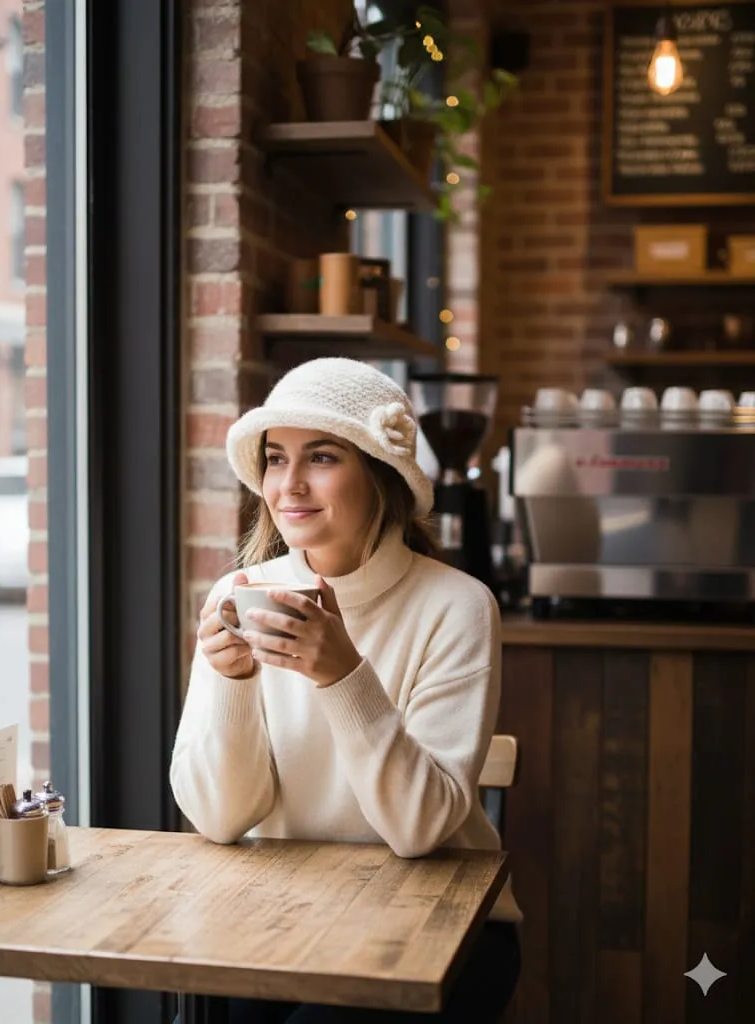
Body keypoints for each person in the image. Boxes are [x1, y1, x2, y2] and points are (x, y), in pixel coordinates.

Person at [170, 357, 522, 1023]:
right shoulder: (238, 596)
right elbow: (218, 819)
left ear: (380, 474)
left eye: (322, 457)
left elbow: (420, 830)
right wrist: (234, 682)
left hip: (440, 922)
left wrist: (343, 675)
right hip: (281, 915)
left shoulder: (458, 606)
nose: (289, 484)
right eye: (276, 458)